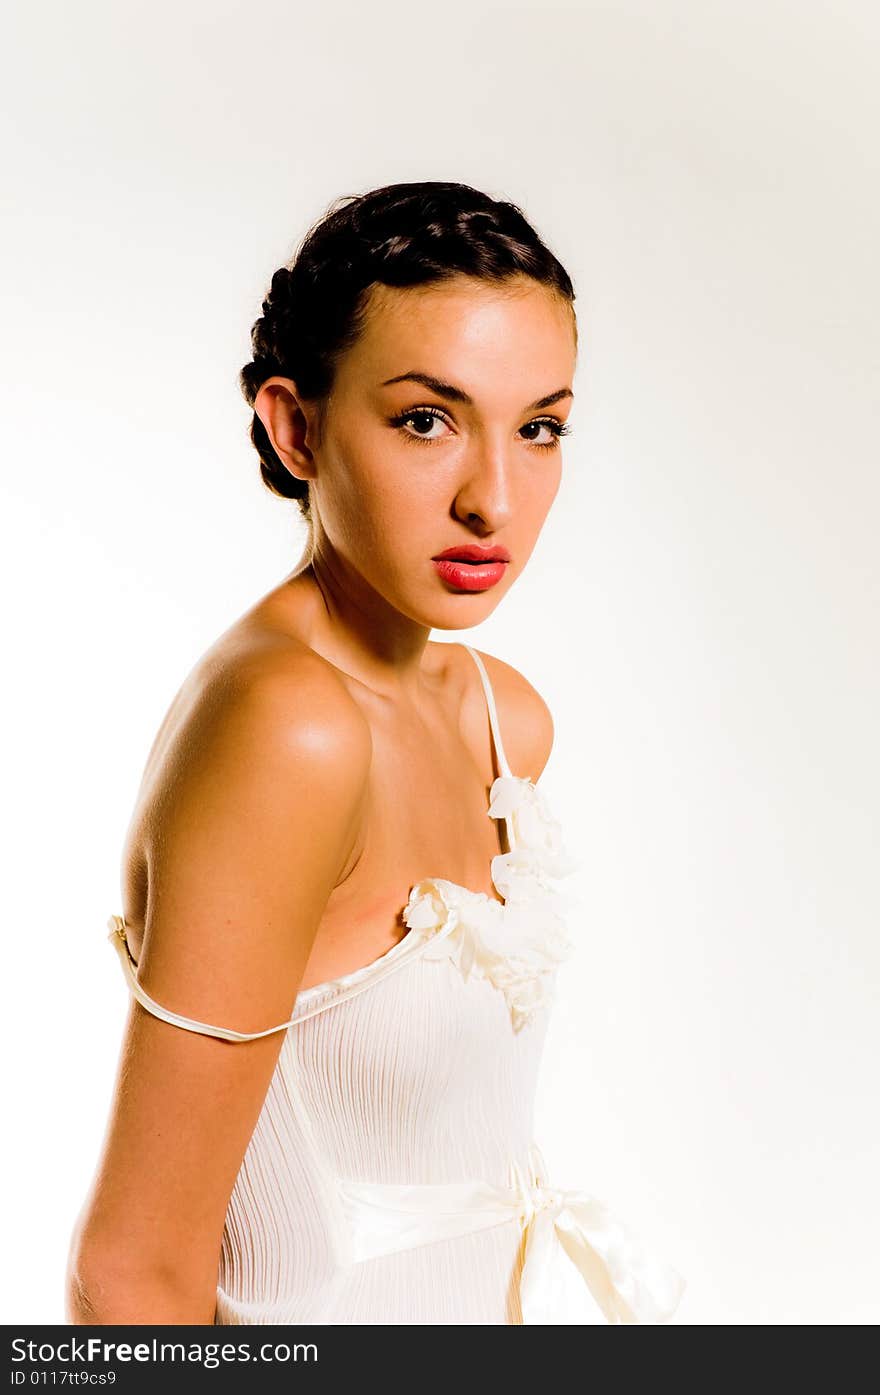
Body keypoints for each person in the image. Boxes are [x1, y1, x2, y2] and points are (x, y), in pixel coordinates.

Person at [65, 180, 686, 1325]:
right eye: (424, 420)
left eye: (538, 428)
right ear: (294, 427)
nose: (494, 500)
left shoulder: (507, 719)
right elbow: (132, 1274)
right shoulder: (287, 729)